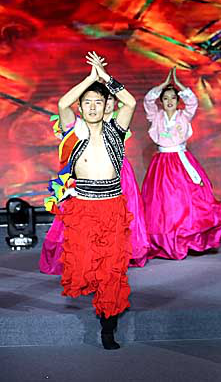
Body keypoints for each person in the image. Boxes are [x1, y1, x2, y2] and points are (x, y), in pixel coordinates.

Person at [53, 51, 136, 350]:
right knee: (86, 265)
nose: (91, 107)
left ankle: (108, 327)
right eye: (87, 102)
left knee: (111, 269)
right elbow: (62, 104)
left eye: (97, 102)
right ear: (81, 106)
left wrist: (105, 78)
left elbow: (130, 103)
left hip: (112, 207)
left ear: (105, 106)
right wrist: (90, 79)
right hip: (83, 208)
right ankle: (98, 303)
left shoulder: (116, 130)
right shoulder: (74, 131)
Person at [40, 96, 150, 274]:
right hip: (88, 176)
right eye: (99, 101)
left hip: (118, 173)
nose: (106, 104)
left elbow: (129, 104)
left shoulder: (118, 121)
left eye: (108, 100)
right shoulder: (83, 124)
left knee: (123, 212)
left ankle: (119, 253)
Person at [142, 67, 221, 260]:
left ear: (178, 100)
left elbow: (193, 102)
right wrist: (163, 85)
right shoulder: (156, 116)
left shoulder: (184, 116)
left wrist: (179, 85)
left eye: (173, 98)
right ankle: (167, 240)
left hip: (181, 161)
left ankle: (187, 239)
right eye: (165, 98)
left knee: (186, 199)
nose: (169, 101)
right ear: (161, 101)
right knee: (164, 202)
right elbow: (147, 101)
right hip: (162, 163)